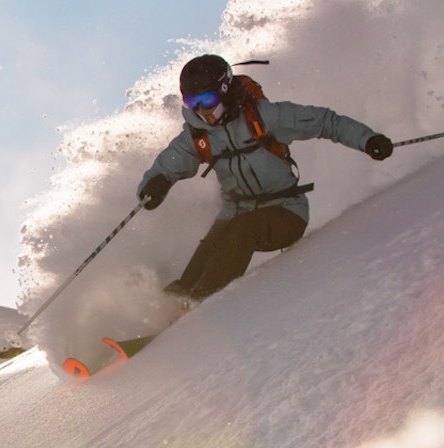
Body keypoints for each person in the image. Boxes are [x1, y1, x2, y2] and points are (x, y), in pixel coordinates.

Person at [137, 54, 393, 301]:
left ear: (224, 89)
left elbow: (325, 122)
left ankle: (199, 307)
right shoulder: (198, 135)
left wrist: (368, 140)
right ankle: (168, 314)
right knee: (202, 260)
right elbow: (169, 163)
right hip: (234, 214)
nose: (201, 110)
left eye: (207, 99)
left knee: (239, 231)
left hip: (285, 212)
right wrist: (155, 184)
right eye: (192, 103)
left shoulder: (263, 117)